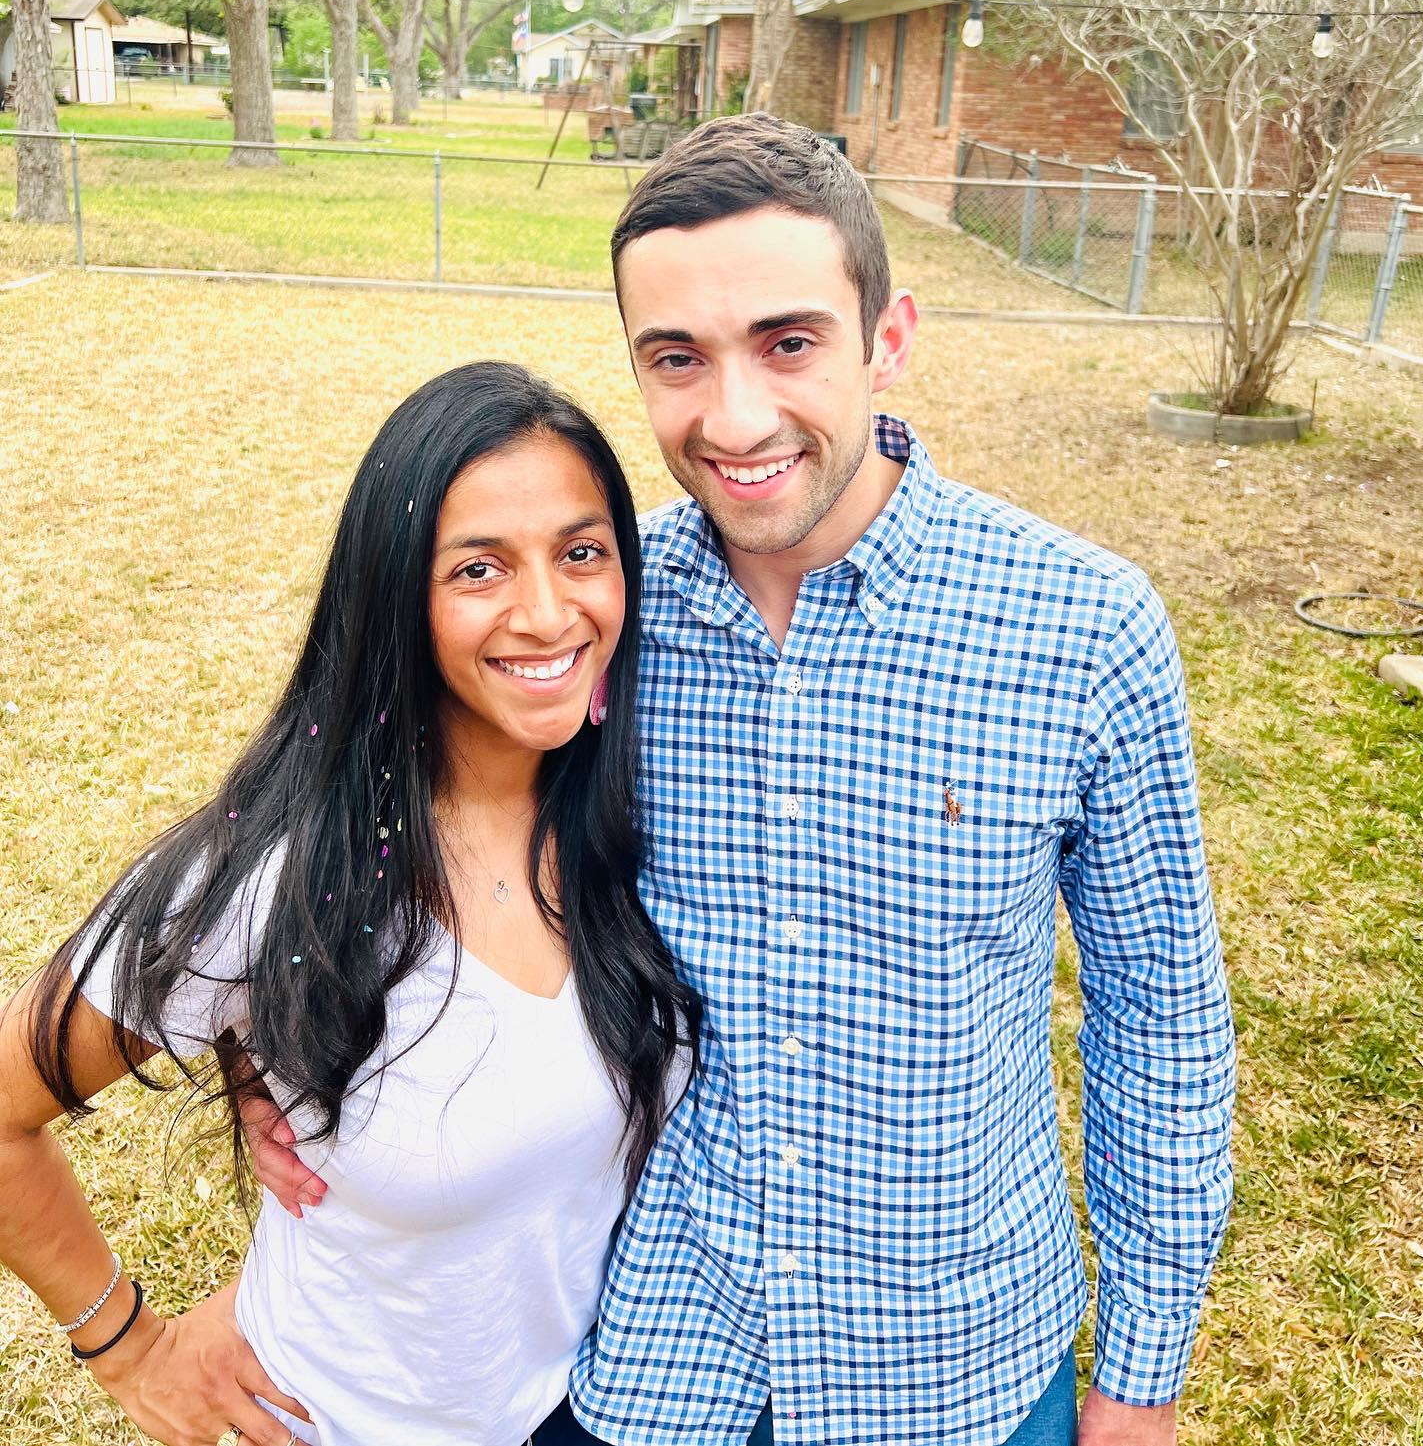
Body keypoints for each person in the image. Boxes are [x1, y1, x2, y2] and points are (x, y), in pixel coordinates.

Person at [253, 115, 1238, 1446]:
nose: (734, 417)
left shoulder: (1085, 630)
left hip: (955, 1364)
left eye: (788, 342)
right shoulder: (597, 616)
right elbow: (377, 827)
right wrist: (262, 1055)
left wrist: (1142, 1374)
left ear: (888, 339)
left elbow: (1163, 1025)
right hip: (658, 1345)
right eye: (677, 358)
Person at [0, 363, 701, 1446]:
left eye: (581, 551)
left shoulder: (645, 809)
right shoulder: (273, 877)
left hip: (603, 1407)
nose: (550, 610)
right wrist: (128, 1344)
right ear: (394, 597)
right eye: (478, 567)